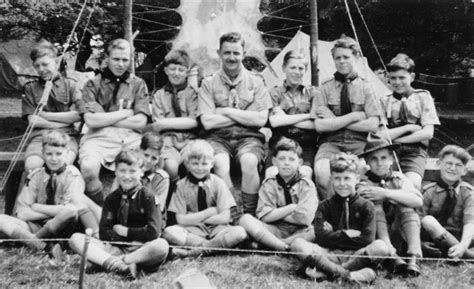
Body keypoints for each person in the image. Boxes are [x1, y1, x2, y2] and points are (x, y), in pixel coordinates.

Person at [198, 32, 273, 215]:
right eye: (227, 53)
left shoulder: (256, 82)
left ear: (244, 53)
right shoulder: (208, 83)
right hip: (217, 137)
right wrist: (246, 115)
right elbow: (207, 122)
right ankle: (232, 212)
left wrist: (224, 111)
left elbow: (261, 120)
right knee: (220, 163)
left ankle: (250, 213)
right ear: (219, 53)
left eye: (236, 53)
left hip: (249, 137)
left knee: (249, 161)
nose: (232, 58)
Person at [0, 130, 100, 260]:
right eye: (49, 154)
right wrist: (52, 211)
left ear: (67, 153)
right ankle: (45, 247)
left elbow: (70, 209)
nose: (54, 159)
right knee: (1, 219)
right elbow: (22, 213)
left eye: (58, 154)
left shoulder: (72, 175)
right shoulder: (36, 175)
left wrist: (37, 207)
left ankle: (32, 242)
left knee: (69, 211)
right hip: (35, 226)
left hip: (62, 228)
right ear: (42, 154)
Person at [69, 150, 169, 278]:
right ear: (115, 172)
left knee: (161, 246)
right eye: (122, 171)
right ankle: (119, 265)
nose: (127, 176)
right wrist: (124, 240)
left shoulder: (149, 197)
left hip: (141, 248)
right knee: (76, 239)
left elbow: (154, 231)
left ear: (141, 172)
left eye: (132, 171)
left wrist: (126, 232)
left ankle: (110, 261)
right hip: (116, 247)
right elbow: (105, 232)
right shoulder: (112, 199)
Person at [291, 153, 389, 283]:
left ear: (357, 179)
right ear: (331, 179)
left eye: (347, 178)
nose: (342, 184)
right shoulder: (324, 206)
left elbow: (367, 239)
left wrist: (333, 234)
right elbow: (321, 238)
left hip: (356, 255)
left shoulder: (367, 206)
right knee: (298, 244)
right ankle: (346, 275)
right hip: (329, 254)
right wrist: (347, 234)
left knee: (381, 247)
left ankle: (330, 272)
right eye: (337, 178)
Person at [78, 39, 150, 205]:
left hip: (131, 138)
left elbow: (140, 122)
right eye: (116, 59)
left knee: (151, 163)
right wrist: (125, 113)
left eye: (125, 60)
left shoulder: (138, 84)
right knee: (88, 168)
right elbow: (91, 120)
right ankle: (101, 208)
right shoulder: (92, 84)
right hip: (99, 137)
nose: (120, 64)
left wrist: (105, 117)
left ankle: (133, 212)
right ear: (107, 58)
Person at [311, 36, 380, 200]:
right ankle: (332, 213)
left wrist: (334, 120)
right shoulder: (325, 87)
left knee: (361, 170)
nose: (342, 61)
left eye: (346, 57)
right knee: (322, 172)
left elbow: (373, 124)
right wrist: (355, 116)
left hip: (358, 144)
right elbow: (320, 126)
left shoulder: (366, 87)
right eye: (338, 58)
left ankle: (356, 213)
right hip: (331, 142)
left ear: (355, 57)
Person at [163, 140, 248, 258]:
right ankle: (214, 247)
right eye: (195, 163)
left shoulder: (218, 183)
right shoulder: (181, 185)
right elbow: (181, 220)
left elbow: (224, 218)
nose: (199, 168)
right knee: (169, 232)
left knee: (239, 233)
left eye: (204, 164)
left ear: (212, 163)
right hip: (192, 231)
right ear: (187, 163)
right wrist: (209, 212)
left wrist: (193, 216)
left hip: (217, 230)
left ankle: (191, 253)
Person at [358, 134, 422, 276]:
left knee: (407, 205)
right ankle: (391, 255)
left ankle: (414, 256)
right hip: (375, 237)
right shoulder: (363, 182)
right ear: (367, 162)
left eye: (384, 158)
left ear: (392, 159)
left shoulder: (399, 178)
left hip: (399, 231)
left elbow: (417, 201)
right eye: (374, 159)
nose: (379, 163)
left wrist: (386, 193)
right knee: (375, 205)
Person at [239, 138, 318, 251]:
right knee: (245, 219)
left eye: (291, 159)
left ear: (299, 163)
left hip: (299, 231)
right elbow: (264, 216)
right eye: (282, 159)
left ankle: (273, 244)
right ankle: (283, 246)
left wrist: (275, 213)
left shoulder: (307, 185)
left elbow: (304, 219)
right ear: (274, 161)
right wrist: (292, 208)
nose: (286, 163)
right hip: (274, 228)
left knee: (315, 231)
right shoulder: (269, 183)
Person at [379, 53, 440, 190]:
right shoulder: (385, 100)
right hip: (390, 152)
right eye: (393, 78)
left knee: (413, 184)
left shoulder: (423, 97)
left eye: (402, 77)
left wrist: (397, 140)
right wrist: (409, 127)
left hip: (415, 151)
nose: (397, 82)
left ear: (411, 77)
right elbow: (382, 134)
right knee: (386, 183)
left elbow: (427, 133)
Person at [22, 40, 82, 173]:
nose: (41, 70)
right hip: (39, 138)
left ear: (56, 62)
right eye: (37, 66)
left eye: (45, 64)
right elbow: (33, 121)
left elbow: (78, 115)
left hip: (66, 137)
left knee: (62, 167)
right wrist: (64, 122)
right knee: (32, 167)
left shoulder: (70, 85)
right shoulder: (30, 88)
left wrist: (45, 116)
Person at [150, 49, 199, 194]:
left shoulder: (192, 93)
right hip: (168, 142)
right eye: (172, 69)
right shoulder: (159, 95)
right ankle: (174, 194)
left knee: (194, 164)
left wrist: (166, 123)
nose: (176, 73)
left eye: (181, 70)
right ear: (166, 70)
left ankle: (192, 196)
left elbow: (195, 122)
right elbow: (157, 125)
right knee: (170, 166)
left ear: (187, 72)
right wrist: (183, 122)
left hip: (190, 140)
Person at [266, 50, 320, 179]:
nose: (297, 72)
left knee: (305, 175)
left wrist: (284, 118)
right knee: (272, 175)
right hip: (279, 146)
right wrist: (308, 116)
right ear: (284, 68)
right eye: (292, 67)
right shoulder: (275, 93)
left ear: (305, 70)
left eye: (301, 68)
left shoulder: (313, 93)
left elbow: (316, 124)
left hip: (306, 147)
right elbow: (274, 122)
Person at [420, 145, 474, 260]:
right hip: (435, 237)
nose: (453, 168)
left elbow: (470, 222)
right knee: (428, 220)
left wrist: (463, 245)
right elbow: (418, 222)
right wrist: (420, 243)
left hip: (462, 238)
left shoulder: (467, 192)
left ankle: (460, 251)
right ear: (439, 164)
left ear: (464, 170)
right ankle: (468, 255)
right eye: (449, 163)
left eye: (458, 165)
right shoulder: (429, 192)